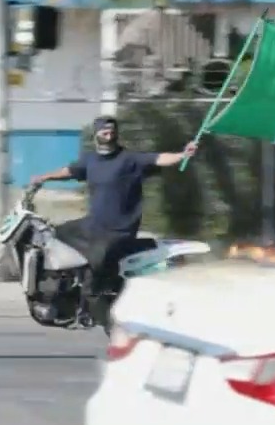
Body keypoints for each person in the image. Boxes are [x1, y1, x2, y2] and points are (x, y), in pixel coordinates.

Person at [28, 115, 197, 322]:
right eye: (105, 132)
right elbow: (69, 171)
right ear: (96, 134)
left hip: (118, 229)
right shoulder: (90, 160)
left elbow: (158, 158)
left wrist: (182, 155)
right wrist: (44, 177)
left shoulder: (129, 159)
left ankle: (91, 306)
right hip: (93, 223)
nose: (109, 136)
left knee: (96, 263)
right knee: (54, 235)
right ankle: (64, 287)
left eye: (112, 132)